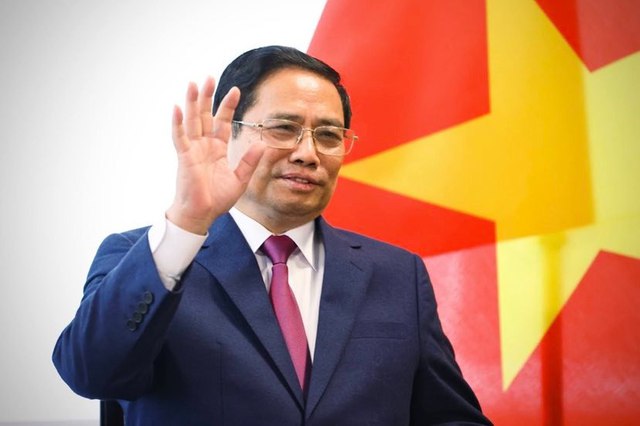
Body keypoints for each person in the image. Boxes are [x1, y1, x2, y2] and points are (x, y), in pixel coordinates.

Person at [53, 45, 491, 425]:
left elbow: (449, 416)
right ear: (228, 133)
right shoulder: (148, 259)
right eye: (283, 129)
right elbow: (91, 374)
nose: (308, 153)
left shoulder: (397, 274)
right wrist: (187, 221)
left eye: (328, 135)